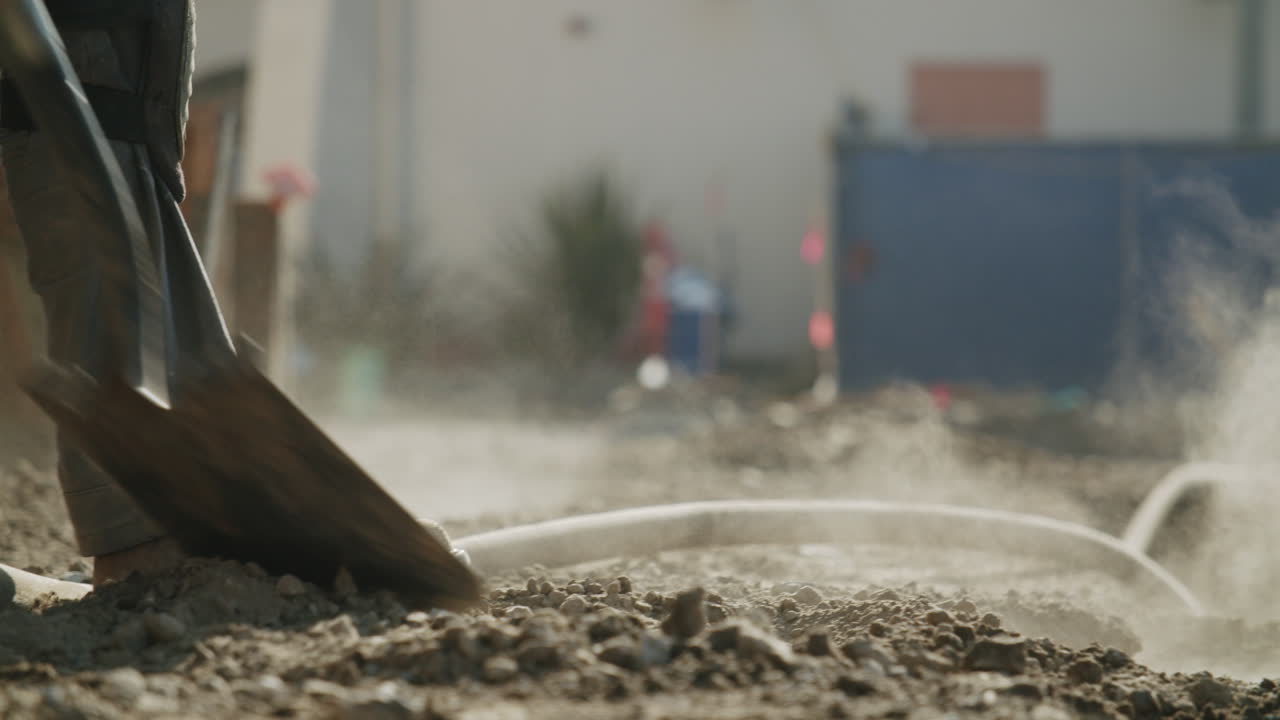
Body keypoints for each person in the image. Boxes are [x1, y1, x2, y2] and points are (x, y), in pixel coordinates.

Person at [0, 0, 209, 585]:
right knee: (103, 322)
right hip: (64, 118)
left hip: (130, 125)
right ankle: (131, 545)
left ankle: (193, 519)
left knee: (168, 333)